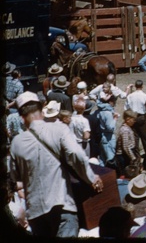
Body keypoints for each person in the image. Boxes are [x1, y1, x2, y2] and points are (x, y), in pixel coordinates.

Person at [10, 91, 102, 237]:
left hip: (35, 212)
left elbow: (15, 178)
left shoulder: (16, 143)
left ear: (21, 115)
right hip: (62, 205)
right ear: (42, 107)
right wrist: (91, 177)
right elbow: (76, 154)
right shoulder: (59, 129)